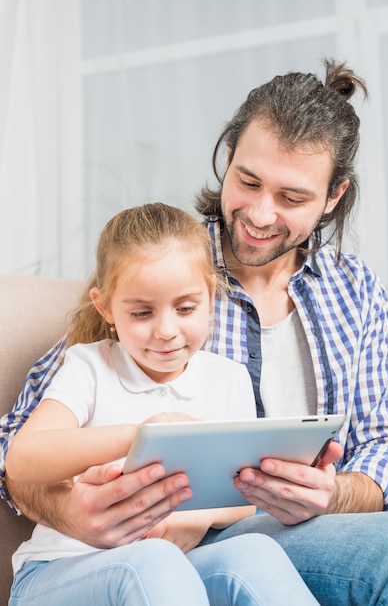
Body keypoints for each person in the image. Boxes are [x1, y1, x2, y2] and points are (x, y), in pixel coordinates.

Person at [1, 59, 388, 605]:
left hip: (300, 525)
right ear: (227, 157)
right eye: (247, 181)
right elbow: (17, 450)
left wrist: (332, 492)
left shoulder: (352, 286)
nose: (261, 214)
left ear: (333, 197)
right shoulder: (167, 265)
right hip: (195, 544)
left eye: (292, 199)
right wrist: (70, 511)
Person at [5, 203, 319, 605]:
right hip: (59, 572)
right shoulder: (91, 366)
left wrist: (200, 517)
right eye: (141, 313)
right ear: (106, 309)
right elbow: (22, 458)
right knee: (152, 561)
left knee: (254, 551)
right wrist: (143, 435)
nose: (167, 331)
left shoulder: (228, 378)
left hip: (172, 568)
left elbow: (244, 499)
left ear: (210, 296)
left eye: (186, 308)